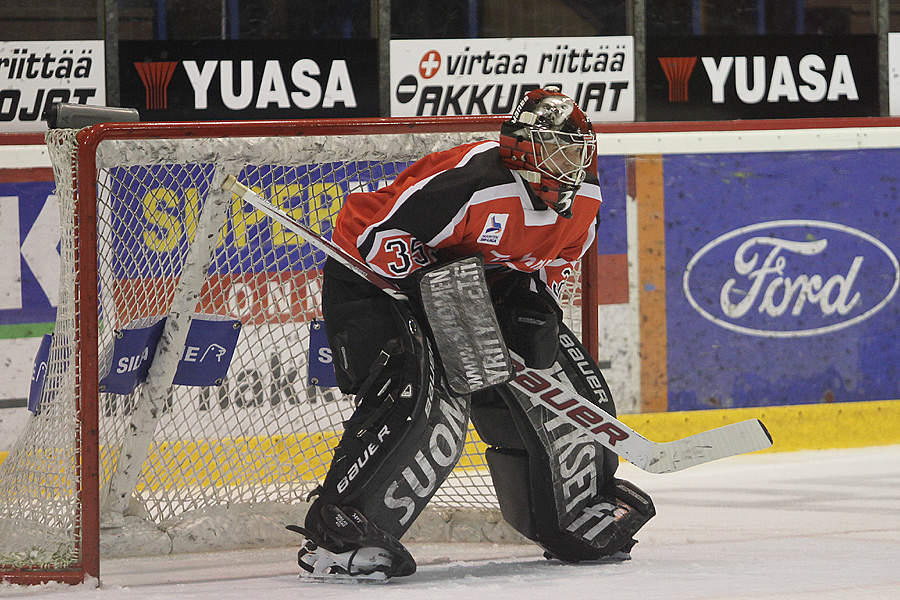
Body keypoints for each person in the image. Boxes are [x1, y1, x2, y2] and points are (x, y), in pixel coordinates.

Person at [291, 87, 655, 581]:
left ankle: (573, 511)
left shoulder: (585, 198)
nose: (571, 164)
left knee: (560, 372)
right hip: (374, 278)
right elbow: (377, 234)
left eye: (578, 152)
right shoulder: (474, 180)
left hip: (479, 284)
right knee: (420, 390)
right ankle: (340, 533)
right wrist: (434, 291)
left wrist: (532, 304)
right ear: (524, 149)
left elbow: (557, 263)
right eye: (558, 150)